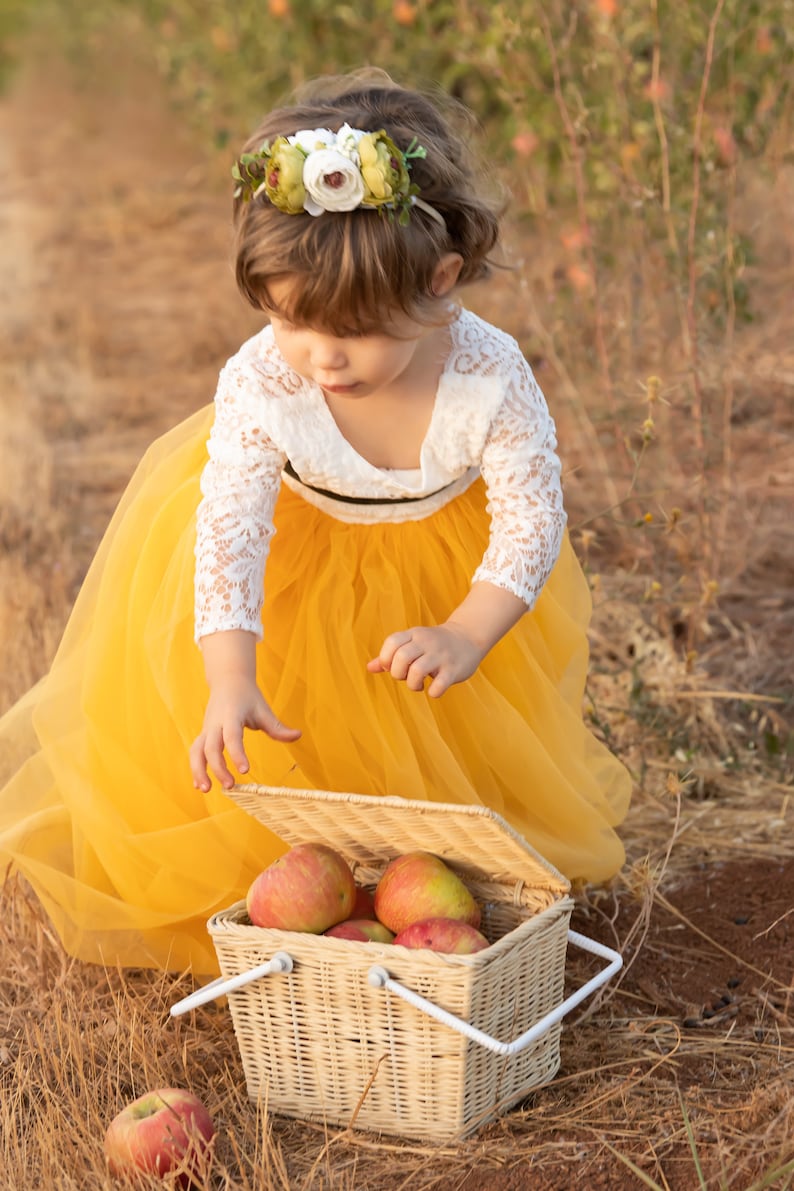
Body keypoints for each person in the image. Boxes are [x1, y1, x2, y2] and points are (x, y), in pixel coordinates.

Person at [0, 69, 632, 975]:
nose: (324, 355)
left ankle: (423, 908)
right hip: (295, 581)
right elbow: (229, 529)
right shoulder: (264, 379)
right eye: (294, 321)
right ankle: (305, 905)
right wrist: (229, 677)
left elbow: (532, 520)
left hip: (443, 585)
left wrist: (467, 630)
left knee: (435, 773)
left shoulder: (489, 375)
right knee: (302, 767)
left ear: (442, 280)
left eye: (359, 330)